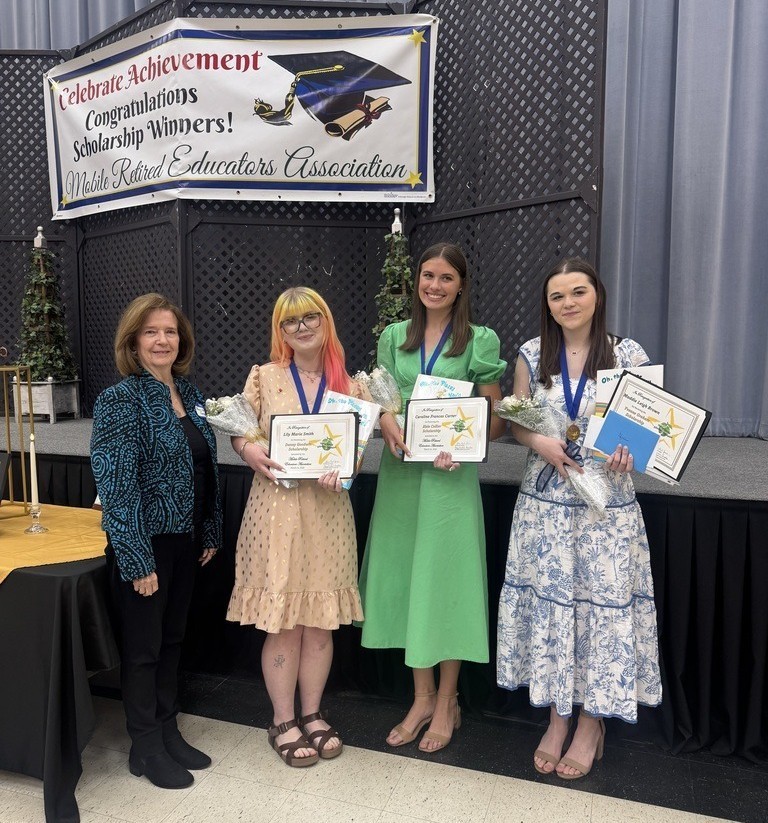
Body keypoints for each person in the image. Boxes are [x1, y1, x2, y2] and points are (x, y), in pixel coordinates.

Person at [496, 257, 662, 779]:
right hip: (545, 511)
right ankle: (556, 718)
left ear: (597, 295)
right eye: (557, 296)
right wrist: (538, 440)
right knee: (554, 612)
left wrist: (631, 450)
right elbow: (515, 422)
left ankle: (592, 723)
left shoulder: (628, 353)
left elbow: (647, 430)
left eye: (578, 292)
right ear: (547, 305)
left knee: (601, 614)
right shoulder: (530, 353)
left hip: (606, 512)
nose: (567, 303)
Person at [358, 242, 507, 753]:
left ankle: (447, 702)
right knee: (406, 582)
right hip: (402, 478)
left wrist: (464, 440)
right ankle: (420, 698)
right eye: (427, 276)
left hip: (449, 479)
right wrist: (387, 421)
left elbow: (494, 417)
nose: (435, 286)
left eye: (446, 278)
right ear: (416, 281)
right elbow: (384, 403)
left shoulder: (480, 341)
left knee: (445, 585)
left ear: (461, 285)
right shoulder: (394, 338)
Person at [227, 287, 367, 767]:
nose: (302, 327)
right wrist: (249, 451)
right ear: (280, 331)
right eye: (290, 322)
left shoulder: (351, 384)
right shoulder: (264, 378)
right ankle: (283, 720)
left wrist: (344, 469)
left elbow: (358, 450)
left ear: (325, 321)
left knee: (321, 625)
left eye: (310, 317)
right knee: (285, 625)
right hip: (277, 512)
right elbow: (239, 430)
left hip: (328, 512)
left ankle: (313, 714)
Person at [91, 293, 222, 789]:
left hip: (185, 542)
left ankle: (167, 731)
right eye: (151, 332)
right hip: (144, 545)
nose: (162, 340)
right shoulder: (118, 400)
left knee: (171, 641)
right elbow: (117, 484)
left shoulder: (190, 395)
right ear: (133, 342)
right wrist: (136, 558)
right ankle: (144, 745)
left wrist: (207, 531)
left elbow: (203, 468)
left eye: (169, 331)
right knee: (143, 649)